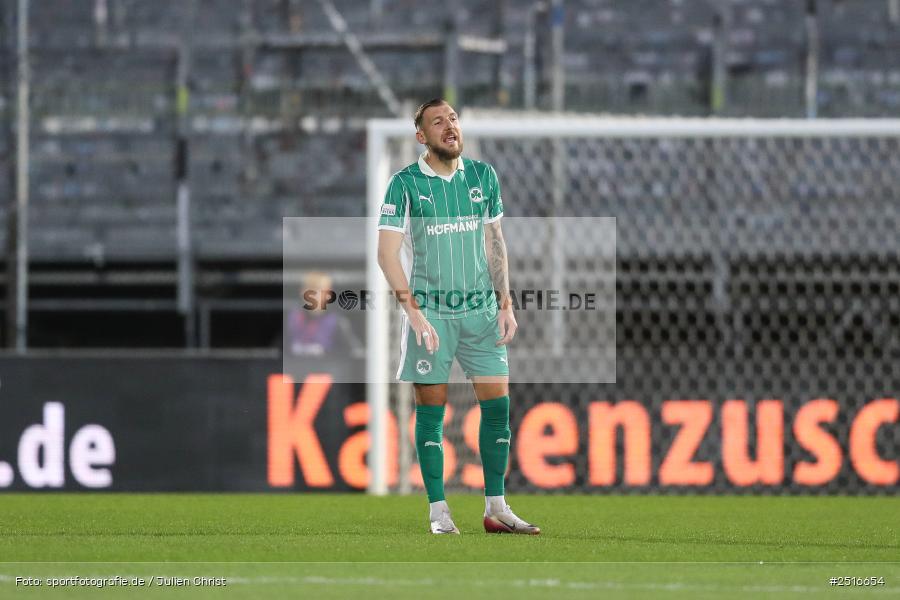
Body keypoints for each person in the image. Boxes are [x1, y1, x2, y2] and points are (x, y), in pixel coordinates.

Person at [376, 98, 540, 535]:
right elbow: (386, 254)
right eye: (438, 122)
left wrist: (505, 303)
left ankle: (496, 508)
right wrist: (414, 315)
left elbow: (495, 242)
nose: (449, 126)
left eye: (452, 119)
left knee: (498, 409)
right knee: (432, 414)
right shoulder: (404, 184)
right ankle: (439, 512)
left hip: (481, 312)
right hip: (431, 314)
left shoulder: (483, 176)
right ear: (421, 136)